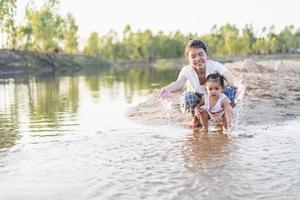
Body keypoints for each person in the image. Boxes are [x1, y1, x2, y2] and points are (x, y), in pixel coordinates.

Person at [159, 39, 242, 128]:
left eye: (201, 54)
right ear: (189, 59)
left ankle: (222, 116)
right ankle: (196, 118)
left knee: (235, 90)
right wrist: (167, 89)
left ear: (207, 55)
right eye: (193, 56)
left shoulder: (215, 66)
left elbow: (229, 77)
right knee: (187, 97)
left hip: (216, 98)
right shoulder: (186, 70)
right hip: (198, 100)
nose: (198, 59)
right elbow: (179, 83)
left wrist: (239, 83)